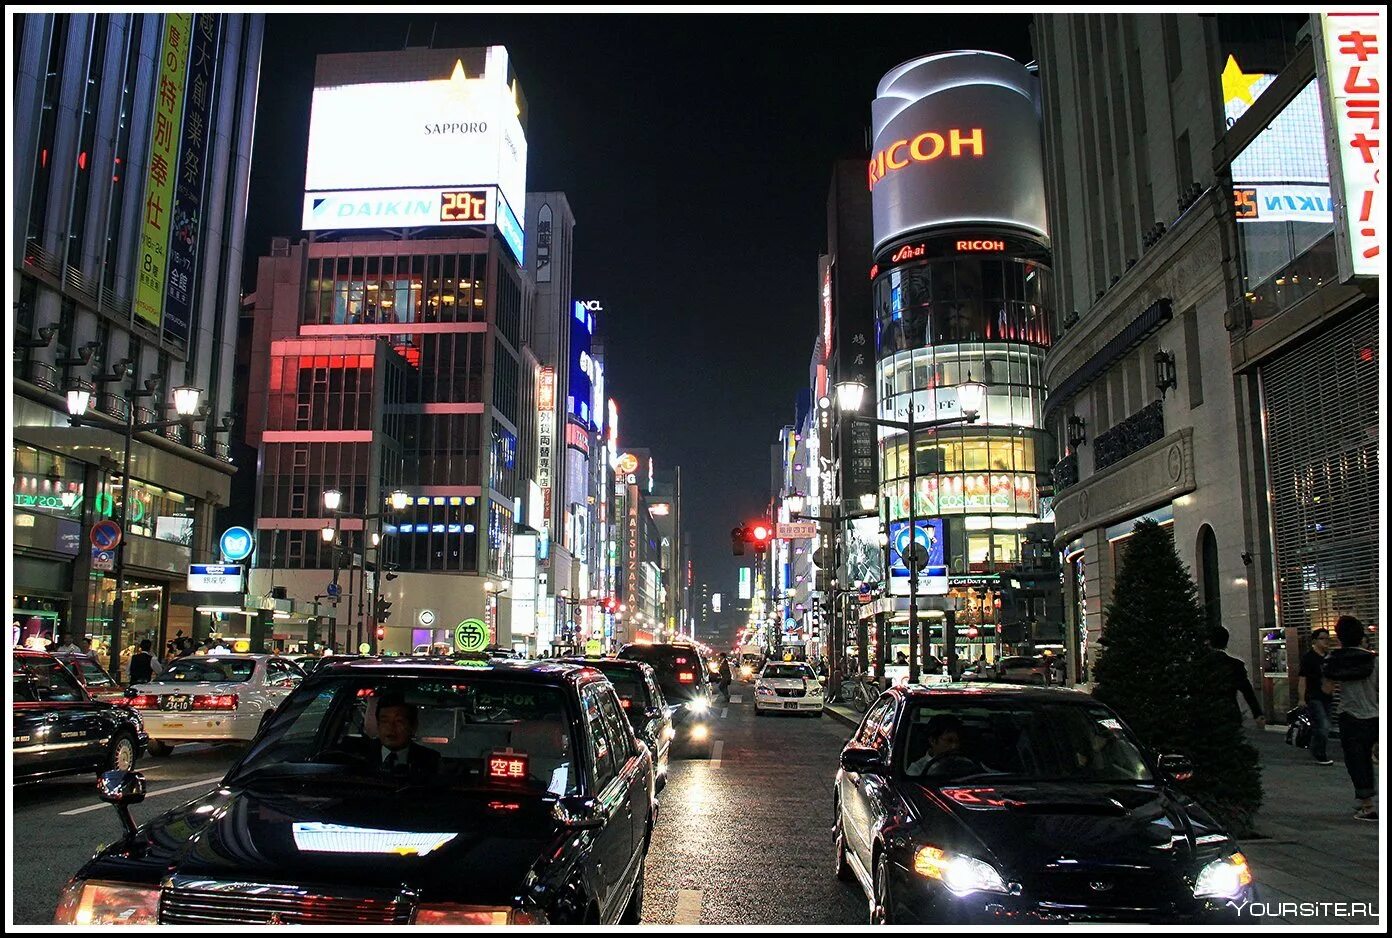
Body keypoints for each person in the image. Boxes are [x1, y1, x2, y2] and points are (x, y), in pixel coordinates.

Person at [1323, 616, 1378, 821]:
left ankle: (1367, 805)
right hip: (1377, 715)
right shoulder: (1376, 660)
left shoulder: (1335, 661)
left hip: (1350, 716)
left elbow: (1327, 689)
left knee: (1357, 760)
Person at [366, 693, 441, 777]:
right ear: (378, 725)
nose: (390, 727)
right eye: (385, 721)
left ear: (413, 726)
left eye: (399, 721)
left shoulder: (429, 759)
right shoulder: (361, 754)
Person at [1205, 625, 1264, 728]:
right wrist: (1257, 713)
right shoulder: (1236, 665)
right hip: (1230, 712)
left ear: (1208, 642)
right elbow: (1247, 692)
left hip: (1206, 712)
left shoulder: (1202, 664)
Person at [1299, 627, 1335, 765]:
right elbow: (1302, 678)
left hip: (1328, 696)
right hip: (1314, 696)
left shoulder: (1329, 657)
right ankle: (1320, 753)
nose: (1326, 641)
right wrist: (1301, 698)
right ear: (1315, 641)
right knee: (1323, 725)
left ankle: (1316, 748)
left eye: (1328, 638)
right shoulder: (1309, 658)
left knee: (1323, 725)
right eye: (1322, 638)